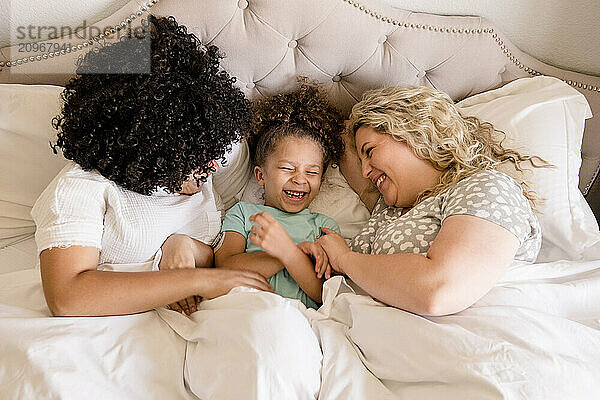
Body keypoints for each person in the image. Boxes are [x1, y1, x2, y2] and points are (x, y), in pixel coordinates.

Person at [31, 15, 273, 318]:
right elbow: (68, 297)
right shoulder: (82, 188)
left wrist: (183, 246)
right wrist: (191, 280)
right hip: (108, 333)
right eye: (195, 160)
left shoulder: (202, 156)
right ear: (151, 151)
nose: (211, 166)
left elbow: (216, 256)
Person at [317, 85, 548, 316]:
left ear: (413, 132)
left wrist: (345, 259)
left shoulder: (486, 187)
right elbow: (337, 135)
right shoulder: (386, 212)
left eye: (369, 152)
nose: (365, 171)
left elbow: (440, 290)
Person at [215, 84, 345, 309]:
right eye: (287, 168)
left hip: (302, 319)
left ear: (321, 181)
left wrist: (288, 253)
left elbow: (323, 294)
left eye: (312, 172)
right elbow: (224, 269)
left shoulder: (323, 227)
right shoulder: (244, 213)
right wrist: (286, 254)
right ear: (260, 175)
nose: (300, 179)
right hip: (249, 310)